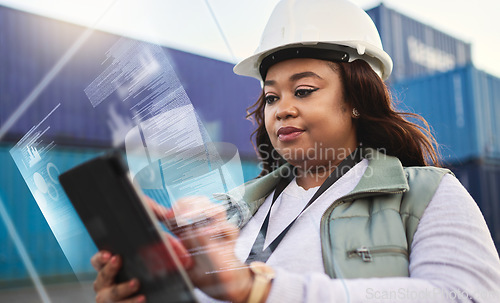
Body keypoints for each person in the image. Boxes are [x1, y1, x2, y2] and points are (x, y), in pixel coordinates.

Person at [91, 0, 500, 302]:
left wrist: (261, 289)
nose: (281, 109)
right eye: (271, 97)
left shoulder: (427, 195)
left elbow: (463, 295)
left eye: (303, 91)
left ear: (358, 98)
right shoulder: (231, 213)